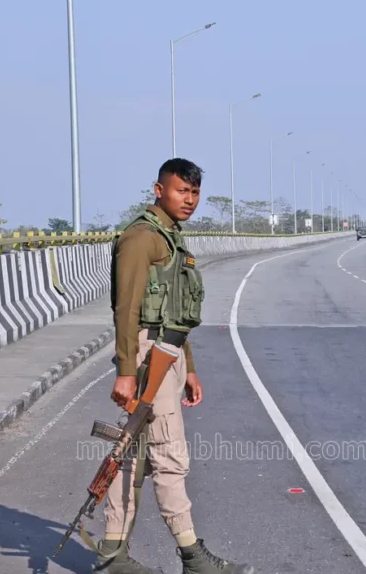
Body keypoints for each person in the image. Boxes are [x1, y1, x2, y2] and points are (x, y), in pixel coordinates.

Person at [96, 158, 256, 574]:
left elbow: (174, 317)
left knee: (131, 454)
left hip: (167, 356)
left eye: (194, 192)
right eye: (181, 190)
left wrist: (190, 368)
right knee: (169, 456)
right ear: (158, 190)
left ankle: (112, 554)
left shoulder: (171, 238)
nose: (189, 199)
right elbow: (127, 310)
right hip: (147, 359)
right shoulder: (141, 239)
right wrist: (128, 372)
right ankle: (192, 556)